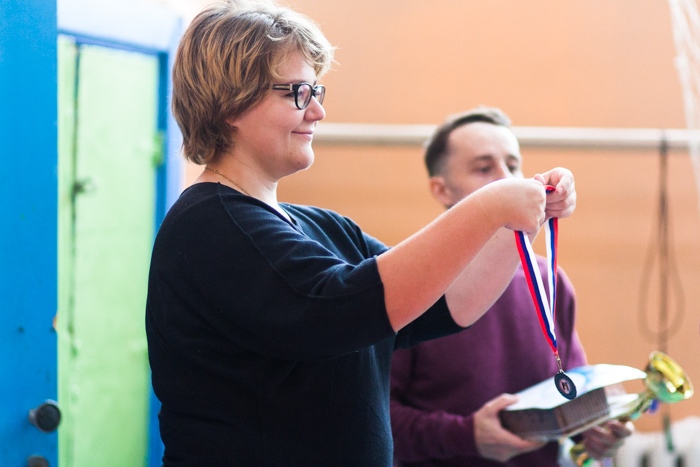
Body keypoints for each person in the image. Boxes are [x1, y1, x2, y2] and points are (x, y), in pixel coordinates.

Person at [145, 2, 577, 465]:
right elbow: (342, 307)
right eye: (298, 93)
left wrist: (517, 220)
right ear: (233, 102)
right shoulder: (210, 225)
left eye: (316, 91)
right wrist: (489, 205)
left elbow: (446, 303)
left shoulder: (324, 228)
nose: (317, 111)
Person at [390, 107, 633, 467]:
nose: (508, 180)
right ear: (442, 189)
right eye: (484, 168)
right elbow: (375, 415)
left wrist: (594, 427)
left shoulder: (550, 280)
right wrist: (466, 435)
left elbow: (570, 388)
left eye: (513, 165)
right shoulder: (410, 281)